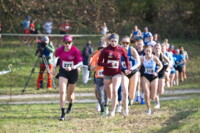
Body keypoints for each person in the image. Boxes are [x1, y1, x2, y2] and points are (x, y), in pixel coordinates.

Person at [98, 33, 130, 117]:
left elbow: (126, 59)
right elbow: (99, 62)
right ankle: (110, 103)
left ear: (118, 41)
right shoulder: (105, 50)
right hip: (107, 73)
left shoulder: (121, 49)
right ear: (109, 41)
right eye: (112, 41)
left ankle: (113, 111)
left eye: (115, 41)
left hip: (117, 73)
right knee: (109, 92)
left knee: (115, 90)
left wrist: (128, 68)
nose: (114, 43)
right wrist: (108, 64)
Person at [52, 35, 83, 121]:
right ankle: (62, 113)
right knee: (62, 92)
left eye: (69, 42)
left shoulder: (75, 50)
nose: (67, 44)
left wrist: (72, 67)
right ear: (64, 43)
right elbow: (55, 57)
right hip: (63, 71)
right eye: (66, 43)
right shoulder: (60, 49)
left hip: (73, 72)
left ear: (71, 43)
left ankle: (70, 104)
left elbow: (80, 63)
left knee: (70, 95)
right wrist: (54, 67)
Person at [120, 36, 141, 116]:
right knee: (125, 91)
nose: (125, 44)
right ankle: (125, 110)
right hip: (123, 72)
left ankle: (130, 99)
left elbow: (138, 62)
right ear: (121, 43)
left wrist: (131, 69)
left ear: (129, 43)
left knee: (131, 93)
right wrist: (123, 69)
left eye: (127, 43)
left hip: (133, 72)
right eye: (123, 43)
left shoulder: (132, 50)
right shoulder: (118, 50)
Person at [140, 46, 163, 115]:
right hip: (146, 76)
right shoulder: (142, 58)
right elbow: (139, 66)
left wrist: (157, 71)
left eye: (149, 51)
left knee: (152, 96)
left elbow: (161, 65)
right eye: (146, 51)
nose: (147, 52)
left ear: (151, 51)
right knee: (146, 94)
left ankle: (156, 101)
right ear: (144, 51)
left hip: (154, 77)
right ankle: (149, 109)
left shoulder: (154, 58)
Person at [90, 40, 108, 115]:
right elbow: (91, 68)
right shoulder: (95, 56)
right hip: (98, 77)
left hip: (107, 76)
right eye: (100, 48)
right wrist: (98, 65)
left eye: (103, 48)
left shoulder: (109, 55)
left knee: (106, 92)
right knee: (99, 93)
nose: (101, 49)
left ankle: (106, 107)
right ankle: (102, 109)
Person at [154, 43, 171, 109]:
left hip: (161, 73)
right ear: (154, 49)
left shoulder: (162, 55)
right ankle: (157, 103)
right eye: (156, 48)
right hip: (154, 74)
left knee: (160, 91)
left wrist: (166, 70)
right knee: (155, 90)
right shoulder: (152, 56)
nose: (157, 49)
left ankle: (167, 81)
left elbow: (169, 62)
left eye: (159, 48)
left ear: (161, 49)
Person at [135, 39, 145, 105]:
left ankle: (142, 98)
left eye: (140, 44)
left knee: (143, 84)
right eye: (138, 44)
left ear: (143, 44)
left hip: (144, 69)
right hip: (137, 69)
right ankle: (138, 96)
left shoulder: (145, 51)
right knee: (138, 82)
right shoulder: (135, 51)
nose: (139, 45)